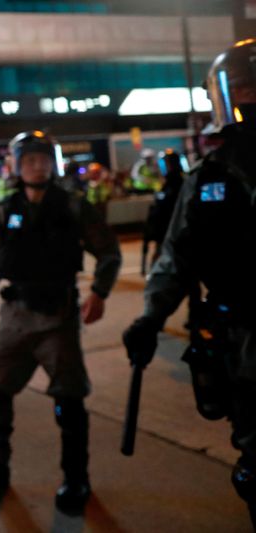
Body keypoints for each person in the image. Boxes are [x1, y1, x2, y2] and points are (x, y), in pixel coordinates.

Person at [123, 39, 256, 529]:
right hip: (240, 340)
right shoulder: (205, 179)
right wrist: (150, 316)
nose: (247, 97)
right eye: (240, 88)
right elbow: (177, 256)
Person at [0, 131, 122, 516]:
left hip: (58, 316)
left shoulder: (73, 206)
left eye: (43, 158)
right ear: (16, 165)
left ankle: (76, 479)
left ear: (53, 163)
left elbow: (109, 251)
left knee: (69, 401)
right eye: (29, 159)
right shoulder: (6, 205)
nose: (37, 165)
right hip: (15, 314)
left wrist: (100, 291)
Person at [142, 149, 186, 273]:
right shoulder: (167, 183)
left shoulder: (179, 183)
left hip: (173, 232)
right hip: (164, 232)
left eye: (166, 163)